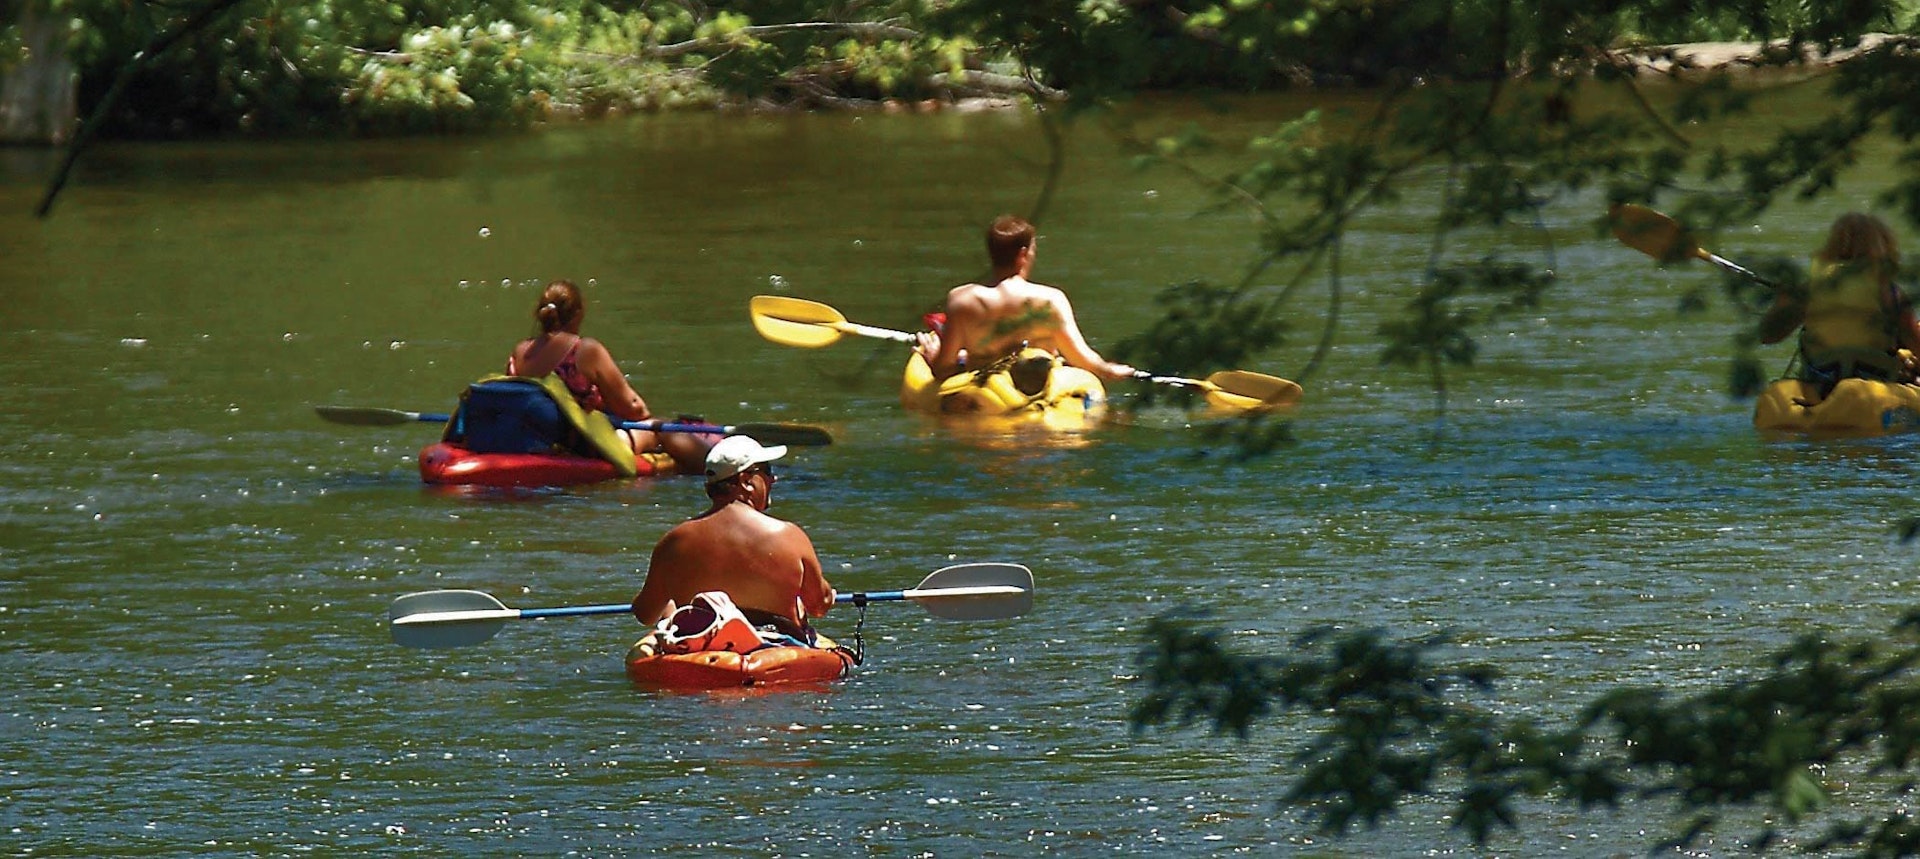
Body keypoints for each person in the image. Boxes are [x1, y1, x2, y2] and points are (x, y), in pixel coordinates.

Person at [629, 436, 835, 649]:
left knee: (670, 610)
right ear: (746, 480)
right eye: (767, 471)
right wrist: (825, 594)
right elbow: (819, 607)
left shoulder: (673, 542)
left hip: (700, 650)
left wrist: (670, 604)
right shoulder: (788, 535)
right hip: (774, 649)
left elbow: (645, 613)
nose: (773, 479)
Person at [507, 279, 714, 474]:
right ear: (578, 314)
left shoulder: (520, 352)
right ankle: (718, 469)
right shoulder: (584, 350)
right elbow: (635, 409)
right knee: (660, 428)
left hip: (534, 441)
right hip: (584, 446)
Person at [912, 215, 1137, 383]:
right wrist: (1109, 369)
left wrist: (933, 356)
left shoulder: (961, 300)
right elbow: (1083, 360)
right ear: (1022, 254)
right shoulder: (1050, 300)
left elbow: (943, 369)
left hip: (986, 394)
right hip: (1037, 396)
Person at [1760, 213, 1920, 388]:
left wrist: (1784, 302)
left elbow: (1768, 336)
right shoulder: (1890, 294)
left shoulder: (1811, 289)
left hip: (1822, 389)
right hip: (1875, 390)